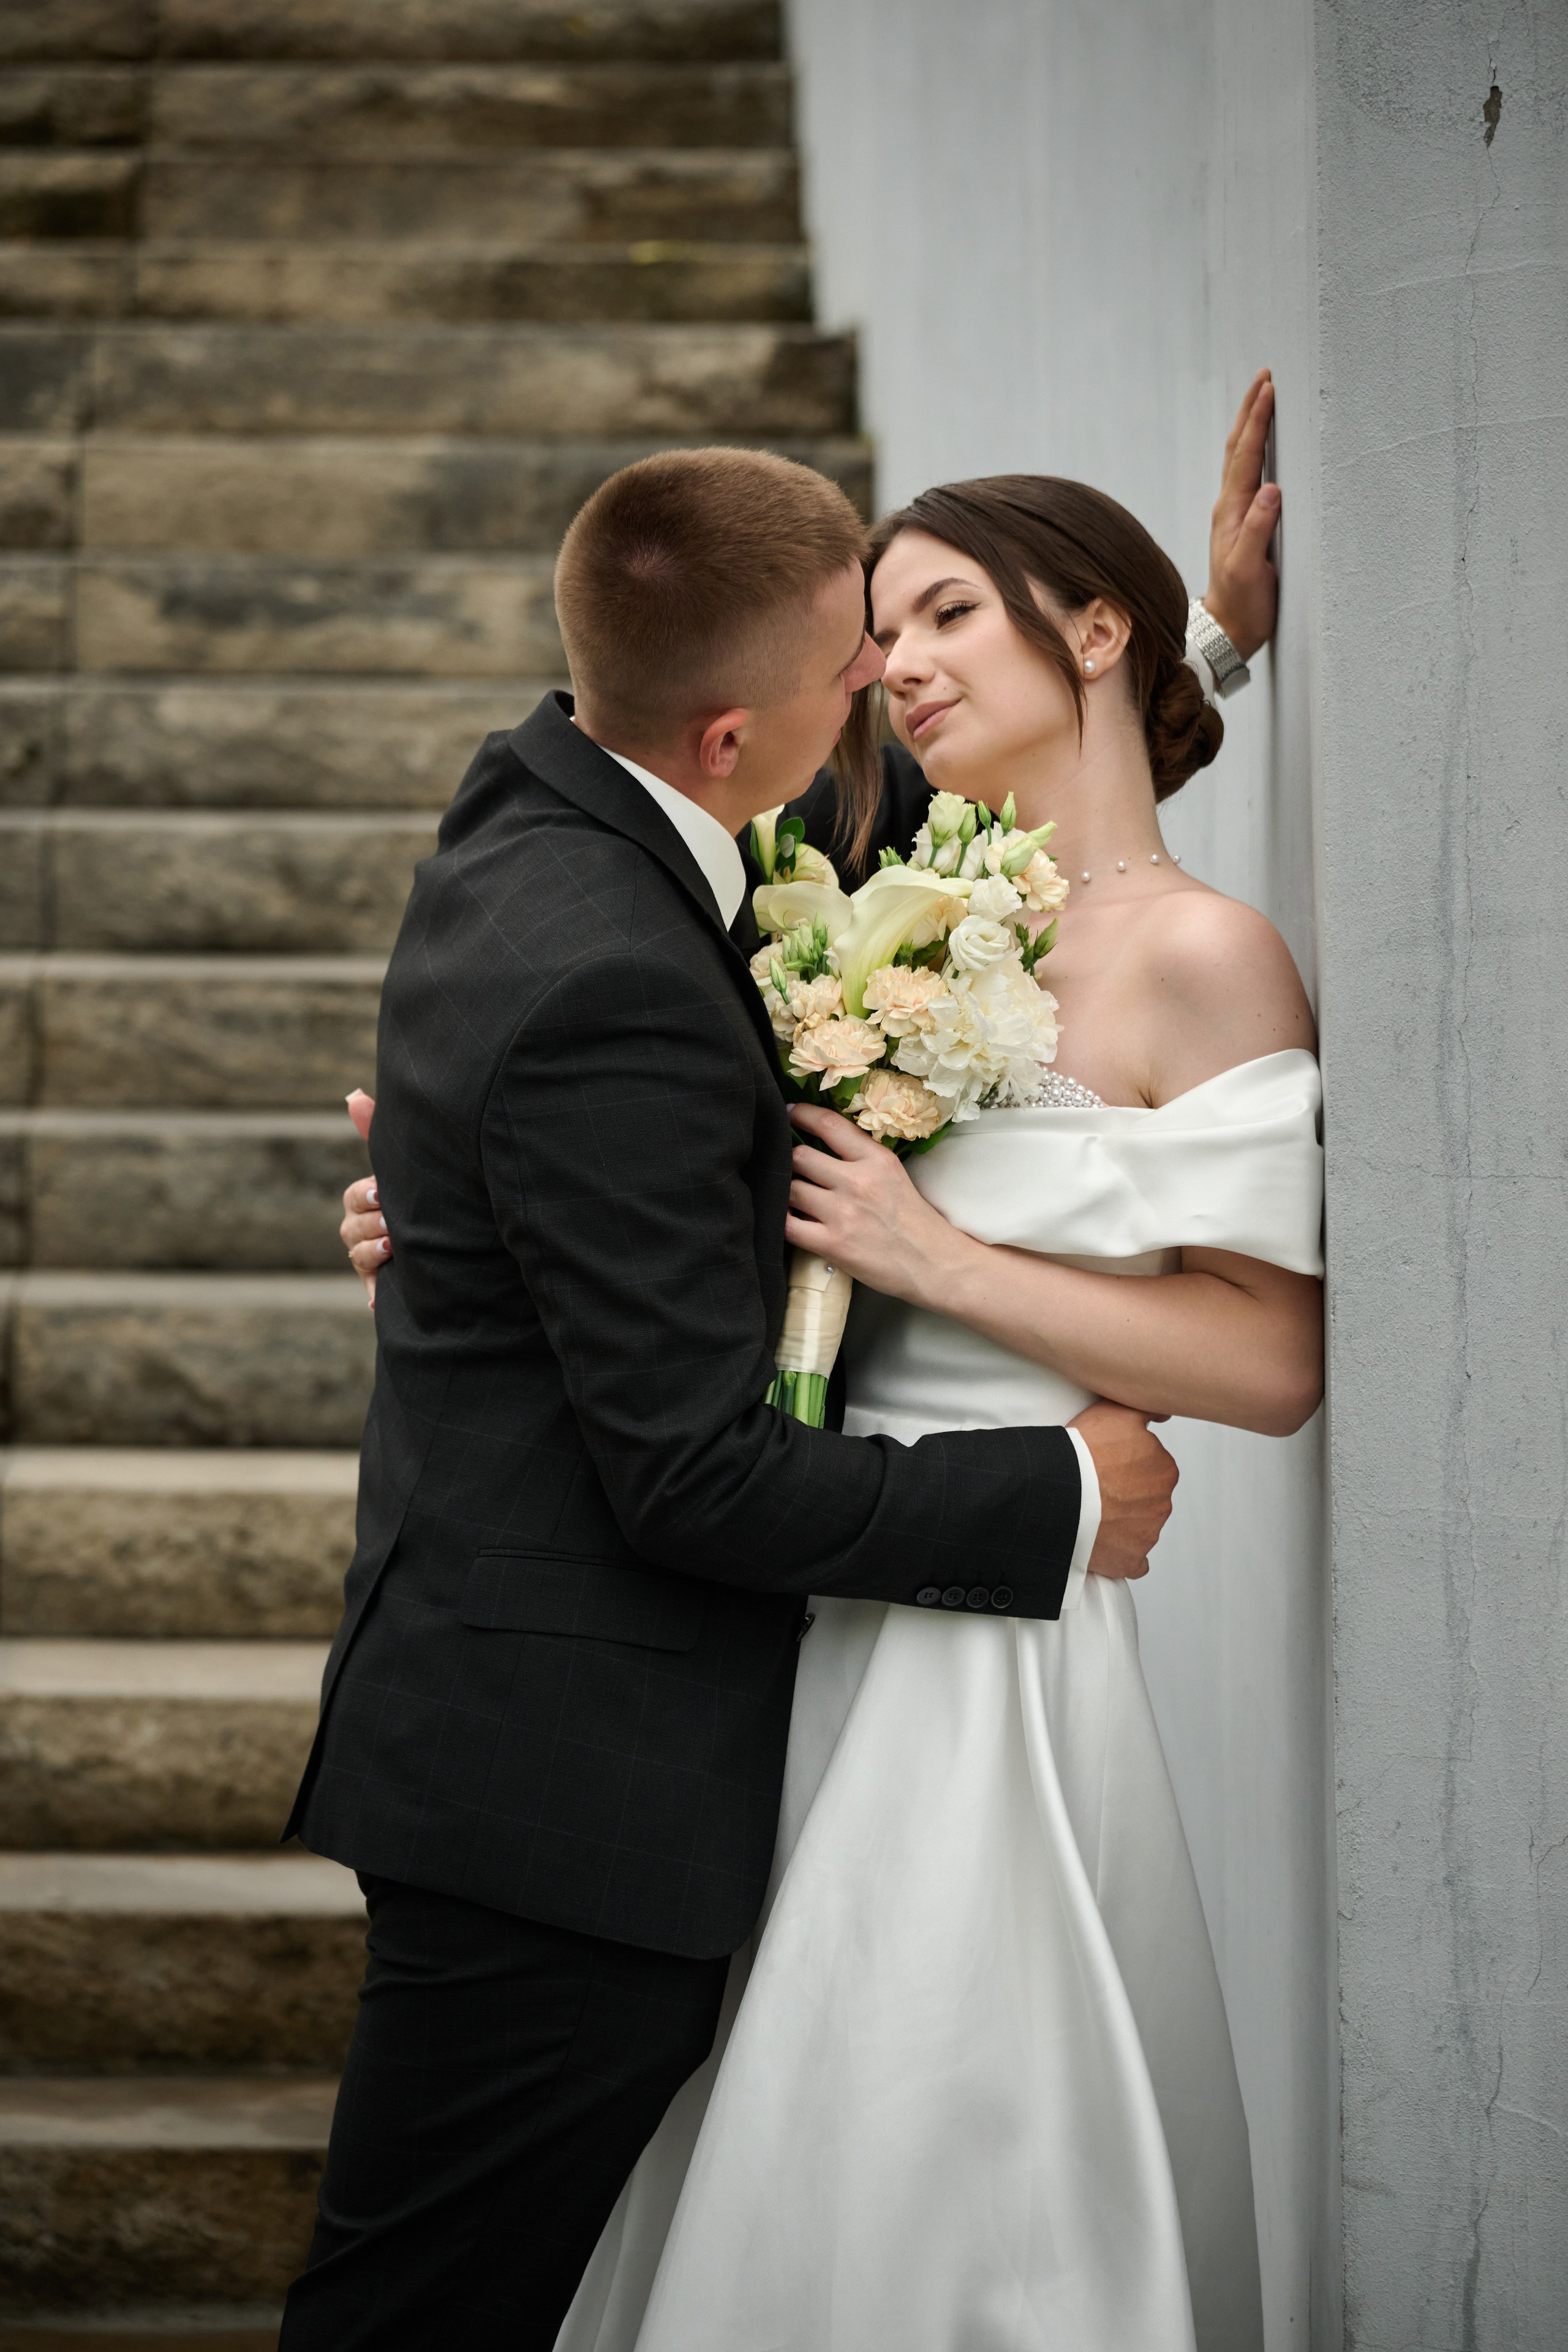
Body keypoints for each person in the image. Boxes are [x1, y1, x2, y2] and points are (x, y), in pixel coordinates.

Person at [333, 382, 1322, 2349]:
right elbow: (1035, 907)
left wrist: (939, 1257)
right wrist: (470, 1227)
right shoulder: (898, 894)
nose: (893, 662)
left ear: (1088, 627)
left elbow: (1273, 1355)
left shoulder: (1184, 949)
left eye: (947, 613)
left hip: (969, 1625)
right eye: (882, 628)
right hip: (776, 1598)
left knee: (952, 2139)